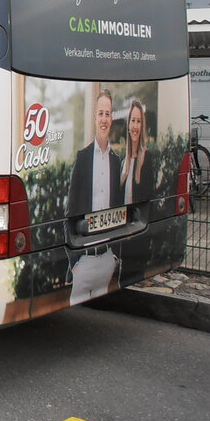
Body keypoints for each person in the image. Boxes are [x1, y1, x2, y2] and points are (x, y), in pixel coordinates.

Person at [66, 88, 121, 305]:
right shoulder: (83, 158)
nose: (104, 119)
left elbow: (119, 209)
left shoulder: (116, 162)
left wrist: (114, 257)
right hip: (84, 260)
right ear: (95, 118)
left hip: (107, 258)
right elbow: (70, 211)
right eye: (100, 113)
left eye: (107, 114)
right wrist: (75, 262)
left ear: (112, 118)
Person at [120, 99, 153, 205]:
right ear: (128, 125)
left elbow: (148, 199)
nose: (135, 126)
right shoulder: (123, 162)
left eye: (138, 121)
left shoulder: (147, 158)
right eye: (133, 120)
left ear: (142, 126)